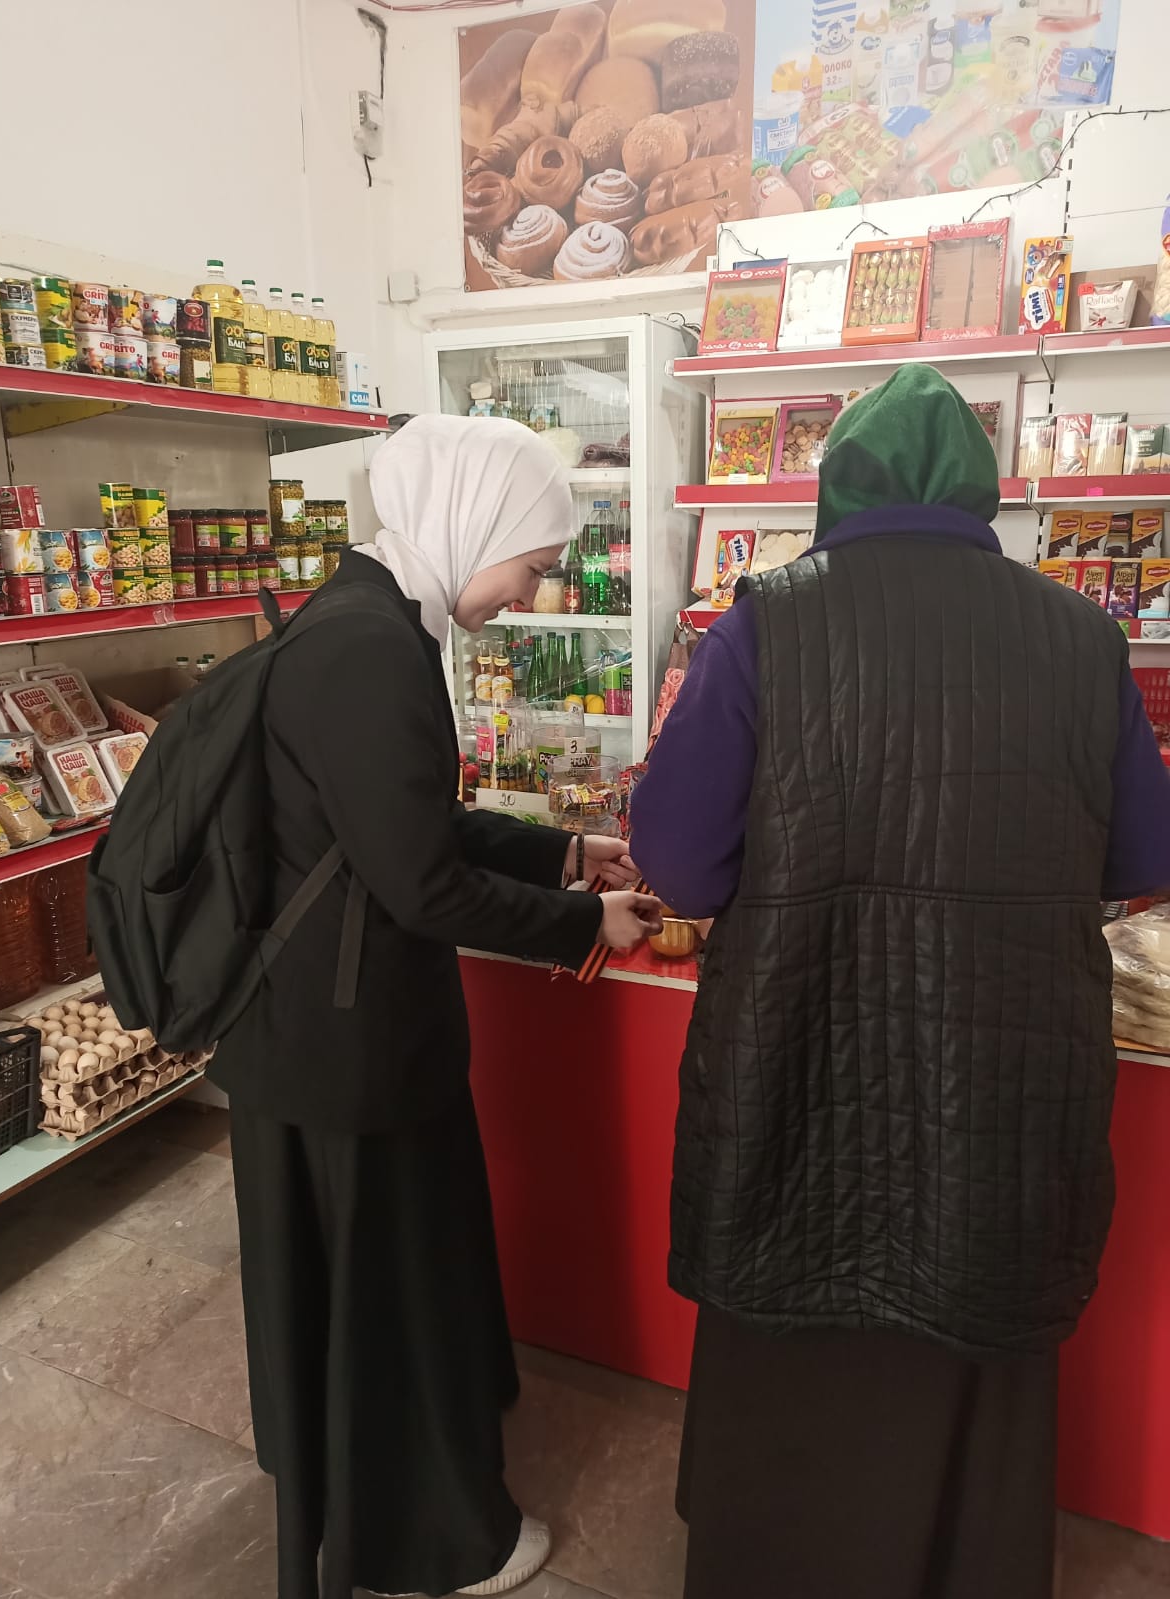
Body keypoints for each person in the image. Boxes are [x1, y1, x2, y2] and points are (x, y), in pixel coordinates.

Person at [629, 365, 1170, 1599]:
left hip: (798, 1073)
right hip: (1000, 1087)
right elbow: (1144, 856)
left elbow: (680, 862)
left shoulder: (764, 625)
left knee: (788, 1344)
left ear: (838, 485)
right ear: (980, 491)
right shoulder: (1080, 637)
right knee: (976, 1338)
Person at [209, 415, 660, 1599]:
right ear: (475, 522)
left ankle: (382, 1495)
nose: (532, 593)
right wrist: (584, 928)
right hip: (341, 1045)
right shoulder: (368, 649)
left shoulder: (372, 620)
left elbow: (407, 822)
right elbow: (418, 883)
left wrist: (563, 854)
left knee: (397, 1278)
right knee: (389, 1299)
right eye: (534, 562)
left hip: (333, 1027)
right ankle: (429, 1544)